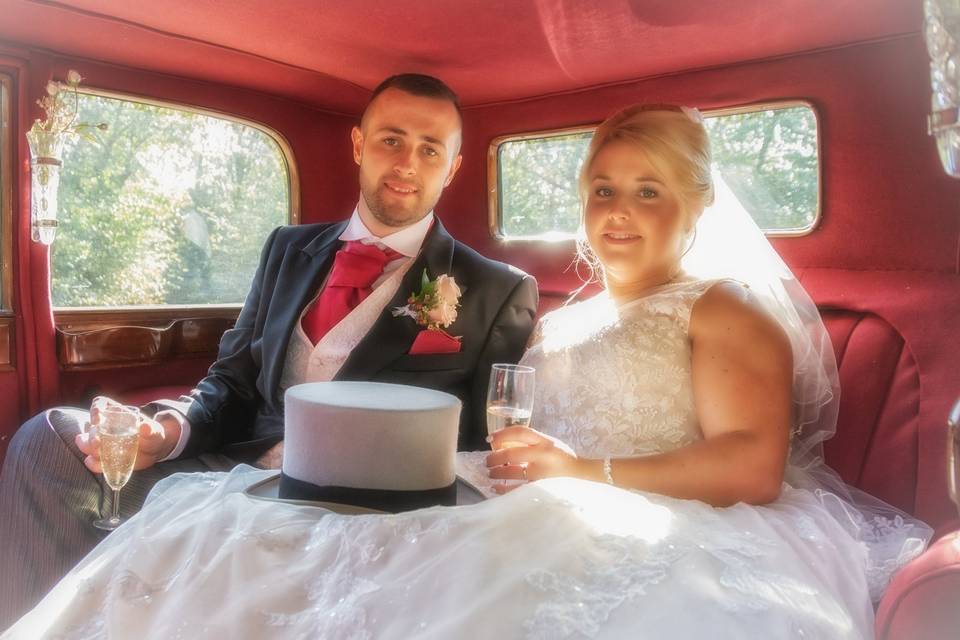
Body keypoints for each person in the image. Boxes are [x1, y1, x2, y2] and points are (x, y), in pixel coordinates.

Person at [3, 104, 931, 639]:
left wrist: (575, 473)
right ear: (359, 142)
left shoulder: (719, 306)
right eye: (602, 189)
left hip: (648, 513)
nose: (618, 210)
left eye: (649, 191)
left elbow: (751, 468)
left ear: (694, 205)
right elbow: (241, 375)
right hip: (521, 488)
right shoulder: (577, 314)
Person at [0, 73, 538, 628]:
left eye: (430, 150)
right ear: (358, 144)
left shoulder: (497, 288)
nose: (407, 163)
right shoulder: (287, 248)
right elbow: (230, 380)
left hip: (365, 512)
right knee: (49, 439)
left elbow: (481, 444)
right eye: (391, 140)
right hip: (234, 471)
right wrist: (165, 432)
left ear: (452, 167)